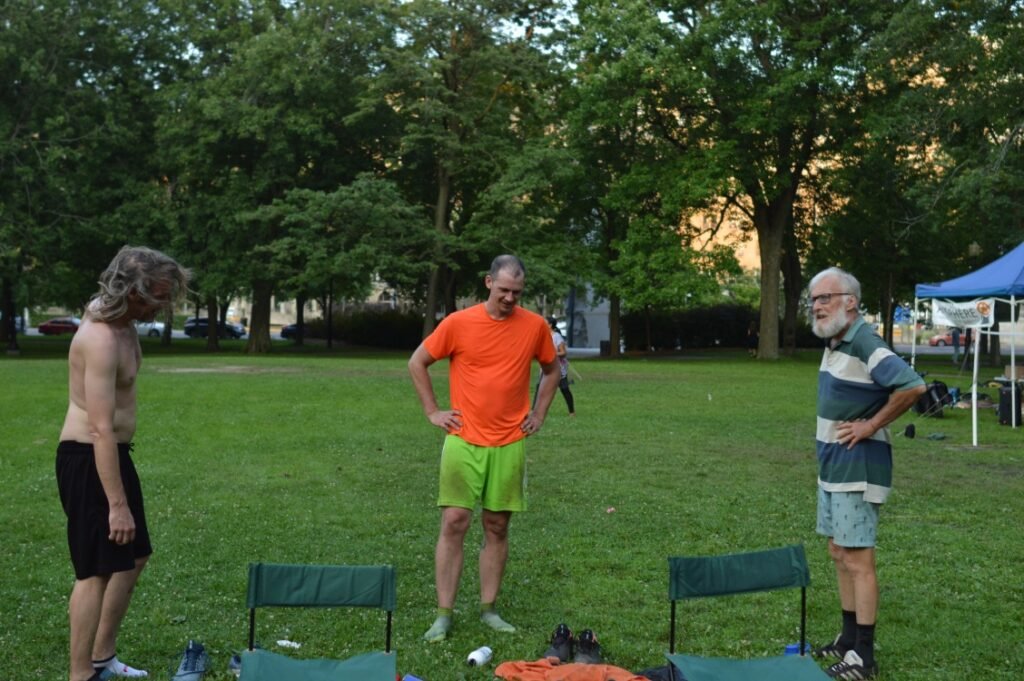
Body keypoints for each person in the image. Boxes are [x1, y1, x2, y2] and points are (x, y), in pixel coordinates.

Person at [408, 255, 560, 642]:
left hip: (509, 441)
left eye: (517, 292)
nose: (510, 298)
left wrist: (539, 414)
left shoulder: (534, 326)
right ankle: (444, 614)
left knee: (497, 525)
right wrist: (432, 411)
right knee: (454, 521)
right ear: (488, 282)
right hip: (463, 438)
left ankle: (489, 609)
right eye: (504, 289)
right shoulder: (458, 323)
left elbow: (552, 369)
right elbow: (417, 362)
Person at [56, 246, 189, 681]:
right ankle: (82, 674)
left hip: (113, 453)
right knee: (95, 570)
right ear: (133, 292)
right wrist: (116, 504)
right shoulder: (99, 338)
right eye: (159, 296)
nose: (163, 305)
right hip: (89, 455)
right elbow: (99, 428)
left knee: (134, 556)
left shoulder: (124, 323)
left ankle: (102, 656)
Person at [807, 267, 925, 681]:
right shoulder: (836, 340)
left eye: (825, 298)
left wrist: (870, 425)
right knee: (839, 552)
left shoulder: (864, 341)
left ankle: (865, 657)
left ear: (851, 302)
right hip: (833, 466)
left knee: (858, 560)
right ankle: (847, 640)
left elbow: (912, 386)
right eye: (813, 300)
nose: (817, 306)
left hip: (857, 468)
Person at [535, 316, 575, 416]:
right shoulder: (542, 336)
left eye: (544, 322)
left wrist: (552, 354)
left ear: (550, 325)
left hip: (558, 367)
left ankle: (572, 411)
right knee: (539, 388)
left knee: (564, 389)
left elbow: (563, 352)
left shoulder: (557, 337)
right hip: (545, 366)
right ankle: (533, 411)